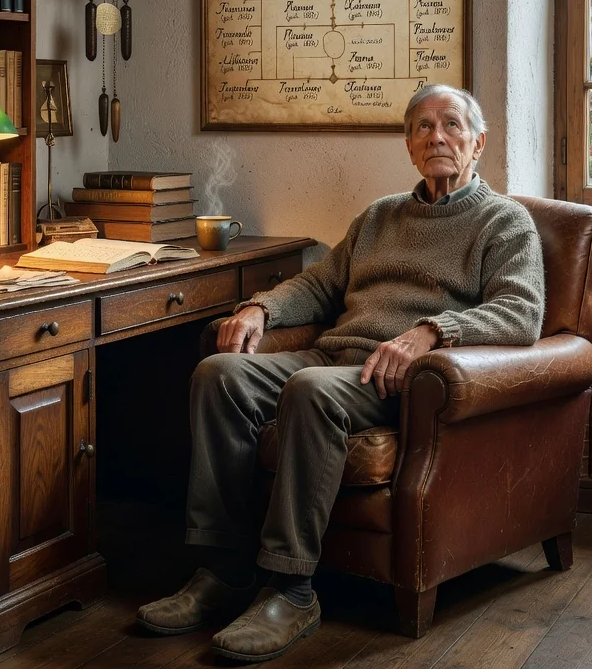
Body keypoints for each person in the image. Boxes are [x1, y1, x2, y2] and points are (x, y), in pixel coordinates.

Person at [137, 84, 545, 663]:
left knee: (309, 391)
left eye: (451, 125)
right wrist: (261, 308)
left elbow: (521, 312)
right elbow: (320, 285)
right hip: (333, 358)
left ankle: (292, 589)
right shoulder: (378, 217)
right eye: (423, 127)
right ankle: (223, 570)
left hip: (400, 380)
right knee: (218, 374)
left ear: (478, 142)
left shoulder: (505, 223)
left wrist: (430, 332)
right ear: (408, 146)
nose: (437, 137)